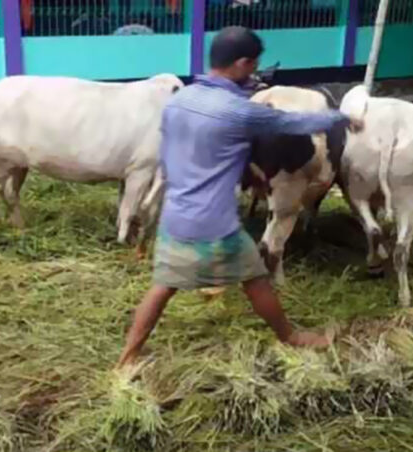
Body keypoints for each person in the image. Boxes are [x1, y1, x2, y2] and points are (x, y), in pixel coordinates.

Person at [116, 26, 361, 368]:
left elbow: (168, 154)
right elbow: (292, 123)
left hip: (177, 215)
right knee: (257, 279)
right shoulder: (238, 110)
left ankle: (127, 357)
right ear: (243, 63)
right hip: (215, 224)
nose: (253, 73)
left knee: (161, 288)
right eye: (252, 65)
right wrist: (339, 117)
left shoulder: (179, 101)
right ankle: (290, 336)